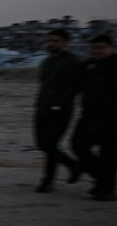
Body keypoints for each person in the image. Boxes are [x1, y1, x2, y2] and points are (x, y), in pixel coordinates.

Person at [33, 29, 81, 193]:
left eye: (56, 41)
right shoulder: (46, 62)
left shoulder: (71, 62)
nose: (51, 43)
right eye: (50, 40)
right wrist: (39, 103)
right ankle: (73, 165)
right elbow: (43, 85)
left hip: (61, 109)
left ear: (65, 43)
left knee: (50, 144)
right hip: (43, 107)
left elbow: (72, 87)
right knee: (42, 144)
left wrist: (59, 105)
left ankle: (48, 181)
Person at [71, 34, 117, 201]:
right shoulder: (88, 66)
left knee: (108, 153)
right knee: (78, 145)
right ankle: (100, 179)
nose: (98, 51)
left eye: (102, 47)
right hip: (89, 114)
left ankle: (106, 189)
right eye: (96, 48)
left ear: (111, 47)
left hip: (112, 117)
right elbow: (75, 85)